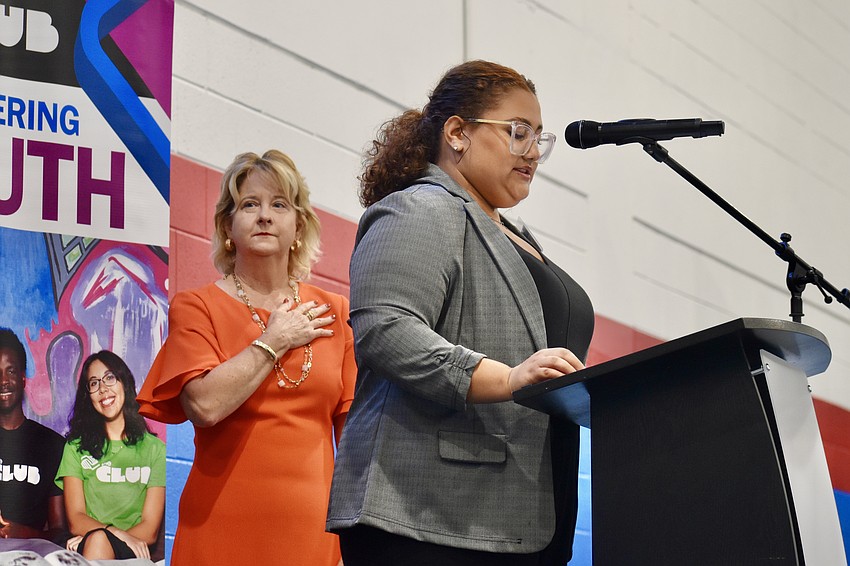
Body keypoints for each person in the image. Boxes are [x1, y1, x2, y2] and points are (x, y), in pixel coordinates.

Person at [326, 60, 595, 565]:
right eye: (518, 133)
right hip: (429, 518)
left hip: (521, 514)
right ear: (457, 133)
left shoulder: (512, 233)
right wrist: (510, 378)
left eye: (540, 137)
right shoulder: (421, 209)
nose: (533, 152)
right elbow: (387, 331)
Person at [136, 149, 356, 566]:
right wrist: (274, 340)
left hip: (313, 533)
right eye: (249, 205)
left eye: (279, 205)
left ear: (299, 227)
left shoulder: (335, 312)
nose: (265, 216)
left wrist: (355, 542)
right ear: (227, 228)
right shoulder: (195, 305)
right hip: (219, 529)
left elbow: (352, 440)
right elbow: (204, 405)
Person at [56, 350, 165, 560]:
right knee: (97, 540)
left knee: (98, 539)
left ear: (124, 382)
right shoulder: (74, 448)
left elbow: (150, 530)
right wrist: (105, 534)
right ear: (88, 396)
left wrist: (107, 537)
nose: (103, 389)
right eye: (94, 383)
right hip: (88, 544)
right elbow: (76, 520)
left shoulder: (155, 450)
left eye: (109, 378)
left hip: (134, 551)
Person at [0, 328, 67, 543]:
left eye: (10, 371)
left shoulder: (52, 445)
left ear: (23, 379)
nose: (3, 381)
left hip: (29, 555)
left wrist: (25, 533)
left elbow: (60, 532)